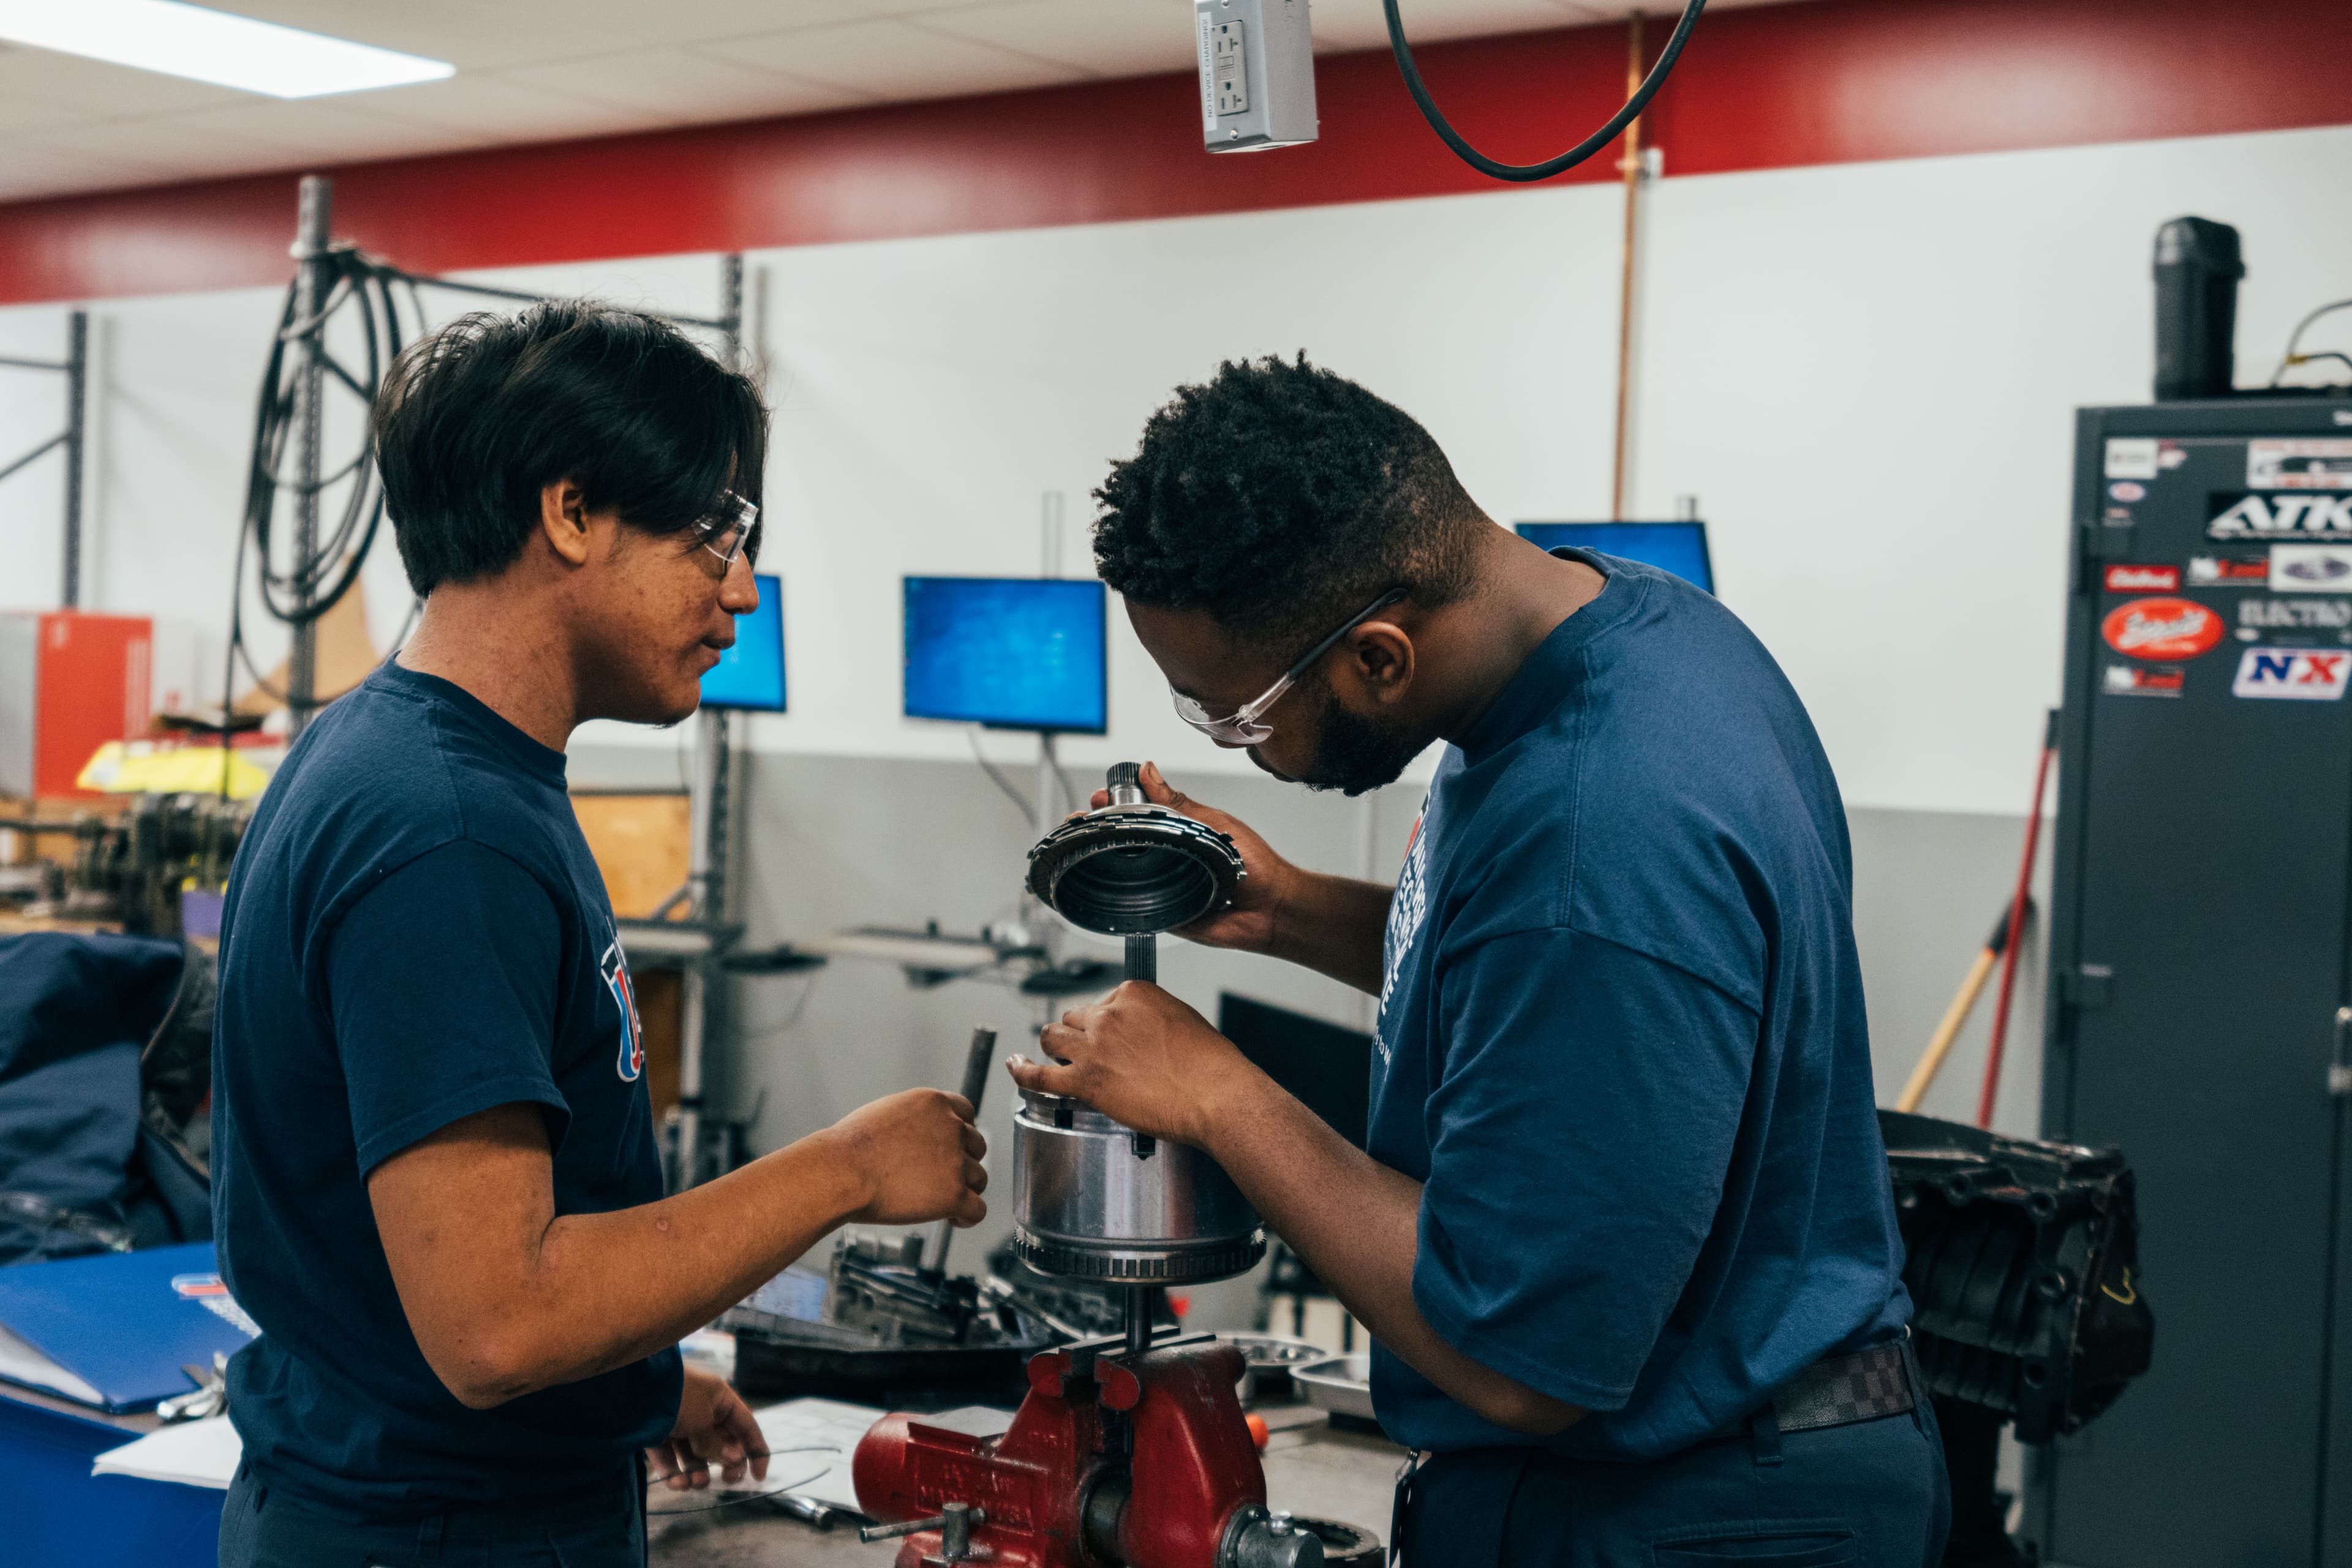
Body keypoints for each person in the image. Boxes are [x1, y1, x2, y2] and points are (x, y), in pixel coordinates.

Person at [1008, 355, 1948, 1564]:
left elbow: (1523, 1361)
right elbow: (1541, 989)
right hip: (1716, 1460)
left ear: (1381, 658)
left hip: (1693, 1512)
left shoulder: (1596, 830)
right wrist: (1288, 910)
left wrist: (1222, 1094)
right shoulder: (1632, 631)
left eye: (1234, 715)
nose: (1240, 746)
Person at [210, 302, 988, 1567]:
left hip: (407, 1487)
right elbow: (498, 1324)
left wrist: (631, 1385)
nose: (739, 587)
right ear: (571, 512)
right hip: (434, 1531)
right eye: (714, 532)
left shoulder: (403, 756)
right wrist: (844, 1167)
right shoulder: (448, 832)